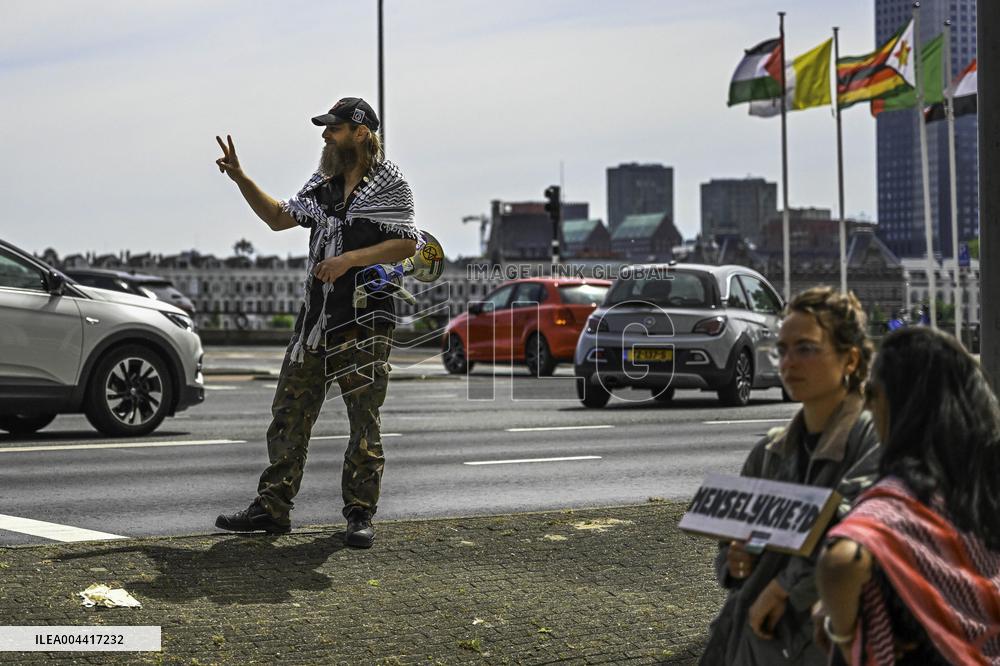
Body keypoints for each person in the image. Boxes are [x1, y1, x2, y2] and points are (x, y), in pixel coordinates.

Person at [213, 97, 420, 548]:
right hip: (315, 323)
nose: (325, 135)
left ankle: (360, 514)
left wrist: (348, 259)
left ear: (361, 132)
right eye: (325, 128)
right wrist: (240, 177)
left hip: (364, 322)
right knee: (289, 414)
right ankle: (272, 508)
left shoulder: (391, 185)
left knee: (363, 421)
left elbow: (408, 243)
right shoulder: (322, 183)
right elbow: (276, 218)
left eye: (335, 128)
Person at [699, 287, 882, 665]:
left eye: (806, 348)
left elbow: (858, 535)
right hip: (754, 645)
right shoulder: (769, 451)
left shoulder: (873, 440)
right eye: (782, 350)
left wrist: (784, 589)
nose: (789, 363)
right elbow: (732, 541)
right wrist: (734, 562)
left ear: (850, 360)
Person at [814, 327, 1000, 665]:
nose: (866, 405)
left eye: (871, 392)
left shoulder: (901, 497)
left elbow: (841, 560)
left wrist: (841, 632)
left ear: (899, 400)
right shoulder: (985, 486)